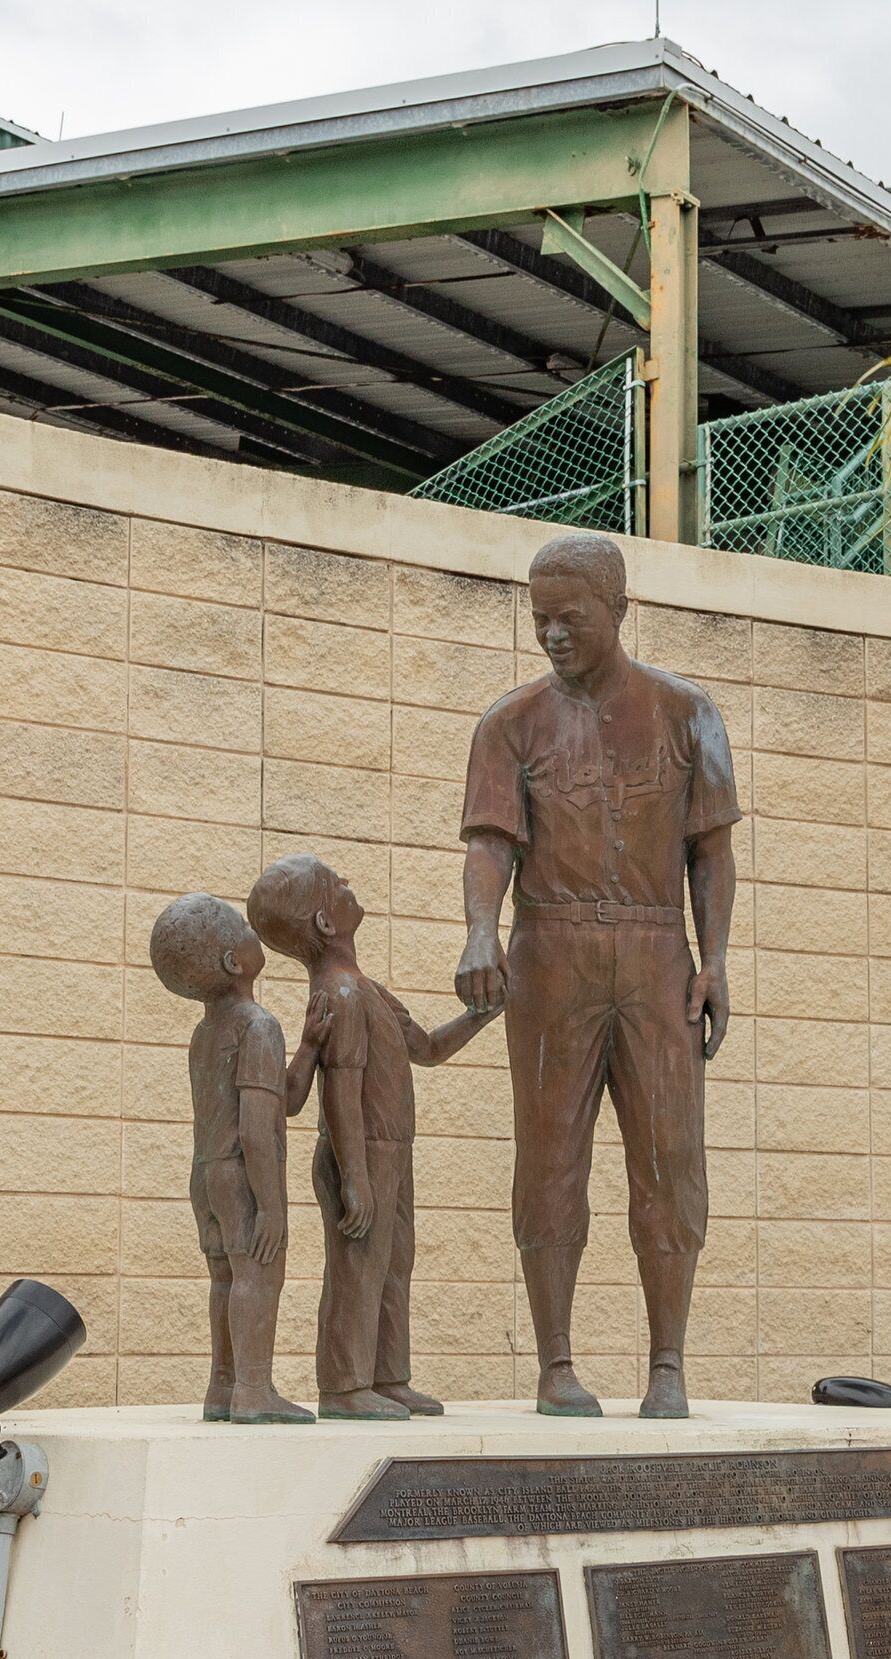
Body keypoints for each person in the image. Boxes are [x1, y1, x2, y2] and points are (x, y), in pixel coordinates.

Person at [456, 534, 740, 1419]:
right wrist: (479, 932)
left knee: (670, 1158)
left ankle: (667, 1365)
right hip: (552, 952)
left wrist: (717, 959)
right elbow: (490, 841)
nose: (551, 635)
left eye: (568, 618)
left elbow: (712, 849)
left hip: (658, 956)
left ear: (617, 609)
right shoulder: (509, 724)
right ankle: (555, 1366)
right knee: (549, 1162)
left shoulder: (690, 714)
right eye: (539, 619)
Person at [247, 854, 492, 1419]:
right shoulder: (341, 996)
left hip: (389, 1150)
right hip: (359, 1152)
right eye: (336, 884)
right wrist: (355, 1176)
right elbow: (340, 1091)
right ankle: (343, 1385)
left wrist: (485, 1013)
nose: (348, 882)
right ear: (326, 924)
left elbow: (426, 1048)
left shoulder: (366, 990)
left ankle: (387, 1374)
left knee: (392, 1261)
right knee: (358, 1266)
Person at [147, 892, 310, 1424]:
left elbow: (278, 1098)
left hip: (205, 1174)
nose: (251, 928)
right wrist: (271, 1205)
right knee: (258, 1277)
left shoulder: (204, 1033)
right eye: (242, 925)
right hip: (243, 1173)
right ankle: (254, 1390)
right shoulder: (257, 1025)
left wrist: (309, 1048)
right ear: (234, 962)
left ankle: (222, 1387)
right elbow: (259, 1128)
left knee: (224, 1278)